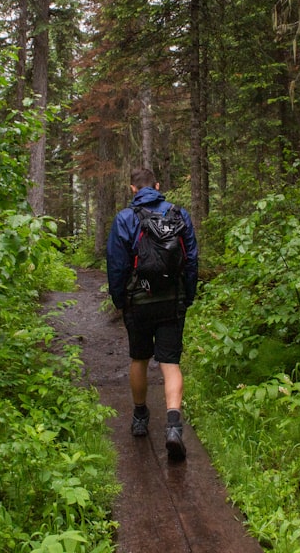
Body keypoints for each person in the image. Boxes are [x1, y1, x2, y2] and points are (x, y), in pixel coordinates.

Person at [106, 168, 199, 460]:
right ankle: (173, 426)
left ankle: (140, 416)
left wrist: (120, 299)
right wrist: (189, 295)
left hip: (139, 300)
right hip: (172, 300)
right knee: (170, 363)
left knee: (139, 358)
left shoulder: (125, 219)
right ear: (158, 186)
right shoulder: (179, 214)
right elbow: (192, 258)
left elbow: (117, 264)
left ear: (132, 188)